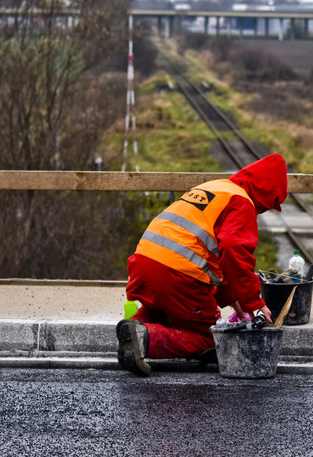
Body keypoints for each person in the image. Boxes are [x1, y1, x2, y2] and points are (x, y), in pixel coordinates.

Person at [116, 154, 288, 376]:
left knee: (165, 311)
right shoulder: (242, 202)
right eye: (266, 207)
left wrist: (233, 299)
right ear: (266, 194)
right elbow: (234, 252)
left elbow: (208, 254)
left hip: (144, 263)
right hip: (177, 273)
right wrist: (253, 302)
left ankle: (132, 328)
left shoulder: (217, 188)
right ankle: (143, 339)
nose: (262, 211)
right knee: (211, 336)